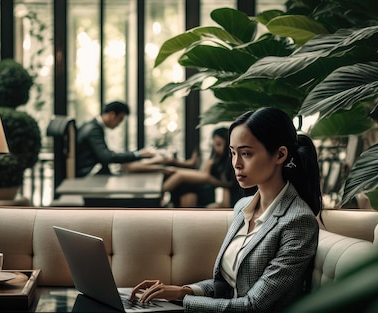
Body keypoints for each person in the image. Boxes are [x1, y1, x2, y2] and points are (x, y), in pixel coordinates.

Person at [130, 107, 322, 312]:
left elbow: (253, 306)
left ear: (280, 154)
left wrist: (181, 303)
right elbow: (226, 285)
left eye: (246, 153)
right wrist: (180, 291)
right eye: (233, 153)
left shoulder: (298, 221)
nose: (236, 164)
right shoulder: (242, 208)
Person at [163, 127, 242, 208]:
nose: (216, 148)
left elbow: (225, 183)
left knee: (180, 176)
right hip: (208, 183)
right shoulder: (217, 158)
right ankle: (159, 195)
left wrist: (208, 168)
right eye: (214, 145)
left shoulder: (231, 161)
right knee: (180, 179)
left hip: (213, 184)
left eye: (219, 144)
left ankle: (158, 193)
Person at [75, 101, 155, 176]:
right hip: (88, 175)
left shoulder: (91, 126)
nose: (119, 124)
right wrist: (137, 154)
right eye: (120, 119)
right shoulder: (94, 130)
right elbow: (106, 156)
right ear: (112, 115)